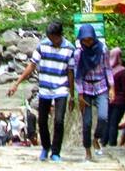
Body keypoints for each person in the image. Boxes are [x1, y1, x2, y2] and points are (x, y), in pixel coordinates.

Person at [7, 20, 75, 162]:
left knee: (59, 121)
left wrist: (72, 95)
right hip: (44, 87)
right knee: (42, 121)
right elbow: (32, 66)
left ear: (59, 35)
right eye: (49, 37)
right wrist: (16, 83)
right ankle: (46, 147)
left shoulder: (70, 48)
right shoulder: (43, 45)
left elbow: (70, 72)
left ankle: (56, 151)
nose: (51, 40)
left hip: (61, 88)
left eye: (53, 38)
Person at [74, 23, 114, 162]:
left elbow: (108, 68)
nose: (88, 42)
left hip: (101, 86)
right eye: (84, 40)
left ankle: (96, 138)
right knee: (87, 122)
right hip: (85, 89)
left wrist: (112, 87)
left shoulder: (102, 50)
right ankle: (87, 151)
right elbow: (77, 74)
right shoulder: (79, 53)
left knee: (103, 116)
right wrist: (79, 94)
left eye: (90, 39)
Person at [104, 47, 125, 146]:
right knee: (114, 123)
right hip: (119, 101)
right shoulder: (122, 71)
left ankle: (103, 142)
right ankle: (112, 144)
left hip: (108, 99)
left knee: (108, 122)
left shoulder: (107, 70)